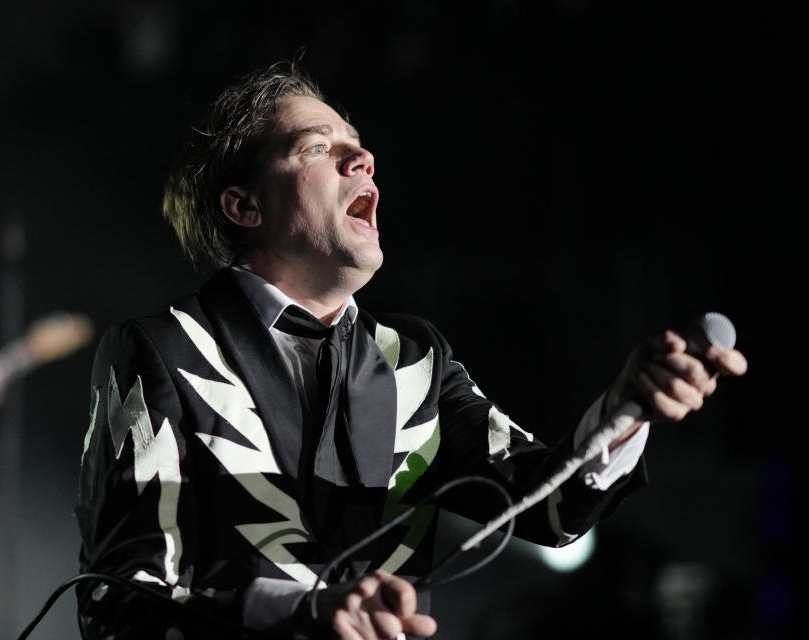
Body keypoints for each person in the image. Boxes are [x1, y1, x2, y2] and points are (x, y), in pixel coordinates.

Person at [74, 60, 747, 640]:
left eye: (358, 146)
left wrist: (628, 409)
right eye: (316, 147)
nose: (361, 159)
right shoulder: (164, 349)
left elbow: (552, 508)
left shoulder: (415, 358)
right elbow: (117, 605)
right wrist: (299, 614)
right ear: (244, 206)